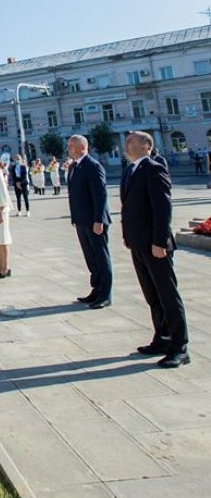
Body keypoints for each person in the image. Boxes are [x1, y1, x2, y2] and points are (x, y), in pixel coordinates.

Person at [121, 132, 190, 368]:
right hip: (138, 243)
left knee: (168, 295)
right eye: (126, 140)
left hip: (155, 244)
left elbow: (163, 208)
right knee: (152, 295)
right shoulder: (130, 169)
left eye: (132, 141)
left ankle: (180, 347)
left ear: (146, 146)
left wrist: (160, 242)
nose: (127, 144)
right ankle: (162, 337)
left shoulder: (153, 167)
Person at [66, 134, 112, 308]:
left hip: (94, 221)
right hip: (81, 220)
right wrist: (75, 217)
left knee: (101, 257)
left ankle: (105, 295)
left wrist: (99, 220)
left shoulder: (93, 166)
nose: (69, 149)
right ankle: (96, 290)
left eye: (71, 146)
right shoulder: (74, 167)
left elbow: (100, 195)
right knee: (91, 258)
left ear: (81, 147)